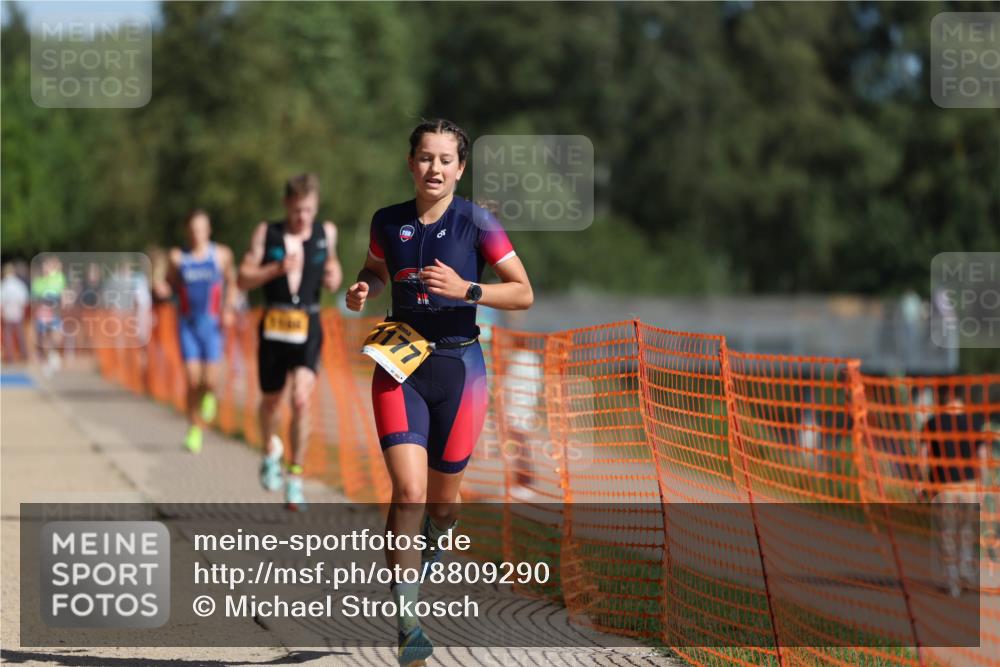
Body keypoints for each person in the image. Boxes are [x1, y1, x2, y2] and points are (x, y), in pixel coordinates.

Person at [345, 119, 533, 667]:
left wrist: (468, 289)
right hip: (400, 361)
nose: (435, 168)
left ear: (460, 168)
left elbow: (523, 292)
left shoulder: (477, 222)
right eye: (425, 158)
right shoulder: (388, 221)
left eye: (446, 160)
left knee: (443, 502)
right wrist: (365, 287)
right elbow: (376, 267)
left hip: (459, 367)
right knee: (407, 490)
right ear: (411, 163)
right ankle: (409, 627)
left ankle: (440, 528)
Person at [238, 174, 342, 510]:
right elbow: (242, 278)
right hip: (274, 325)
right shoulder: (266, 233)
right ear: (286, 205)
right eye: (297, 210)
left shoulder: (326, 233)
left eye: (309, 210)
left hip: (308, 325)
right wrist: (276, 269)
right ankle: (271, 450)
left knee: (300, 399)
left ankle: (295, 476)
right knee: (270, 403)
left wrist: (334, 275)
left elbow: (334, 268)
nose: (302, 218)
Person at [153, 210, 238, 453]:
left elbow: (232, 281)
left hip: (212, 325)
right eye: (193, 229)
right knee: (192, 380)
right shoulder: (178, 257)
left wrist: (229, 308)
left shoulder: (221, 255)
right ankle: (194, 429)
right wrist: (163, 288)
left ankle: (209, 396)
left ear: (208, 230)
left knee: (209, 381)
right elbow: (170, 284)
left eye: (201, 228)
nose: (197, 233)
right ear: (187, 231)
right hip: (187, 324)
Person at [919, 391, 989, 596]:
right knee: (966, 532)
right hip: (969, 486)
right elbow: (982, 456)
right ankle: (966, 570)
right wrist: (982, 485)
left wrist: (923, 482)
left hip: (944, 487)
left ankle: (952, 581)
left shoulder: (932, 423)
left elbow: (923, 456)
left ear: (943, 398)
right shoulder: (973, 422)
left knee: (947, 534)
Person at [31, 256, 66, 377]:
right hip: (42, 314)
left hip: (54, 313)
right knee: (44, 339)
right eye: (44, 266)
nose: (46, 268)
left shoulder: (58, 278)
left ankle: (53, 356)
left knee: (56, 337)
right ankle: (47, 363)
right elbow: (36, 297)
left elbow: (59, 293)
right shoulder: (38, 282)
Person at [1, 263, 29, 362]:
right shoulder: (19, 284)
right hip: (17, 312)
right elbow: (24, 299)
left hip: (8, 312)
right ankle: (23, 355)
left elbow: (2, 301)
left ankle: (10, 356)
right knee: (20, 334)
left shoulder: (4, 284)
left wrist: (3, 311)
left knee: (8, 335)